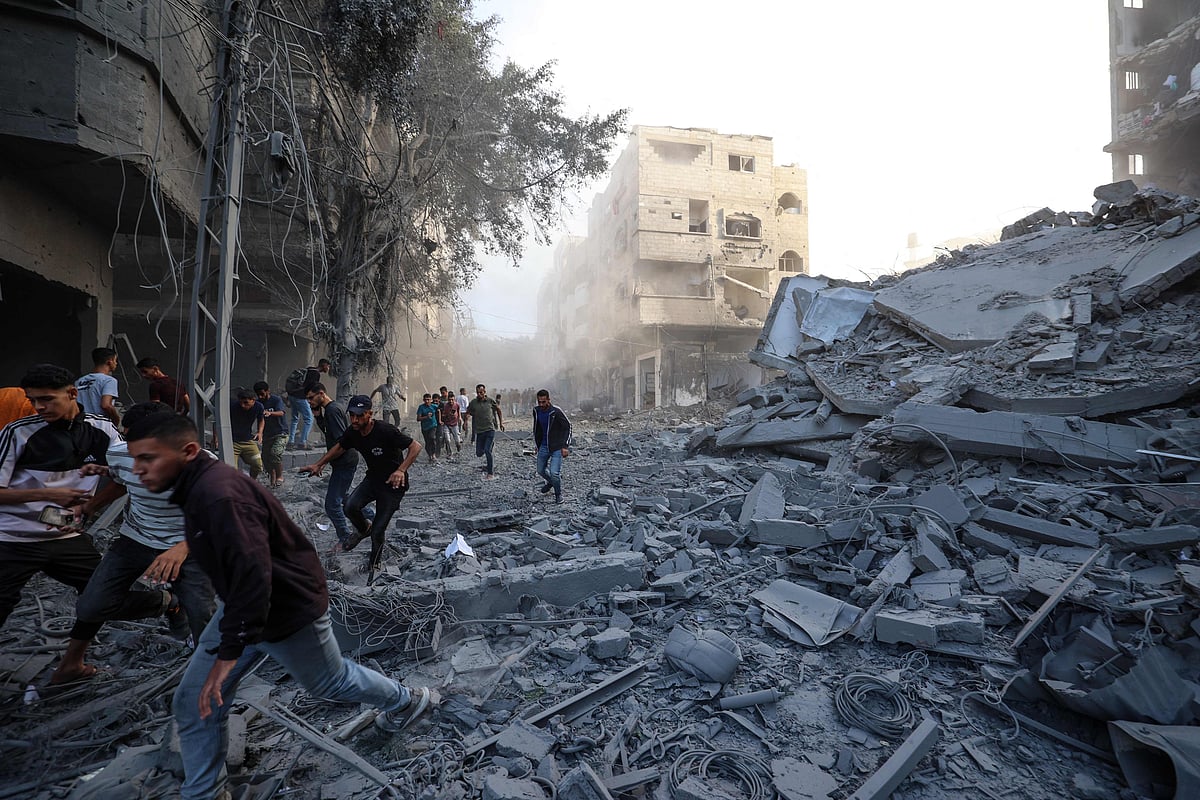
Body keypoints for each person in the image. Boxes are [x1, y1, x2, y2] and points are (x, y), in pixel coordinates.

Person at [125, 413, 435, 800]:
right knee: (193, 699)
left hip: (286, 607)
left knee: (328, 681)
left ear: (187, 451)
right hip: (244, 608)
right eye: (133, 458)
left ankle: (407, 701)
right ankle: (204, 791)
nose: (136, 470)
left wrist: (227, 656)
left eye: (146, 459)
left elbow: (257, 577)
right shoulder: (199, 486)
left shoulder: (219, 495)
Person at [51, 402, 216, 684]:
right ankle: (167, 603)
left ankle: (206, 677)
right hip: (134, 540)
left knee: (202, 615)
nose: (135, 461)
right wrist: (90, 507)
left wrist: (181, 549)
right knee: (91, 606)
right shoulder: (120, 454)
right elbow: (121, 481)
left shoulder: (203, 465)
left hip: (189, 547)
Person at [0, 365, 123, 635]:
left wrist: (89, 506)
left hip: (66, 535)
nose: (38, 407)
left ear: (72, 394)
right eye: (33, 400)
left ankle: (73, 662)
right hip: (13, 539)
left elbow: (127, 478)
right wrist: (49, 494)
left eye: (46, 399)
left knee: (103, 596)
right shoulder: (18, 432)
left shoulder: (102, 430)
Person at [298, 396, 422, 571]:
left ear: (370, 414)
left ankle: (374, 566)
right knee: (349, 506)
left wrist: (401, 470)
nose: (355, 420)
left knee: (378, 531)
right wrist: (319, 463)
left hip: (393, 486)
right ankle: (364, 529)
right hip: (373, 479)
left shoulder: (386, 430)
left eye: (360, 416)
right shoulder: (353, 431)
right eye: (352, 415)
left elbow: (415, 446)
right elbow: (340, 446)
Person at [305, 383, 366, 548]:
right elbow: (330, 433)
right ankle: (372, 517)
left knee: (332, 505)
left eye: (311, 398)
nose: (309, 402)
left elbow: (341, 442)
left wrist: (320, 463)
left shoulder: (332, 410)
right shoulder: (331, 409)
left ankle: (346, 538)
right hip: (343, 460)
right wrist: (318, 416)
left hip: (345, 460)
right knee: (345, 497)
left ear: (321, 394)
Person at [532, 390, 572, 505]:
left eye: (543, 402)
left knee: (554, 473)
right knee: (540, 470)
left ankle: (558, 494)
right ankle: (551, 482)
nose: (541, 404)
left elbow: (568, 427)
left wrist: (565, 446)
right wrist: (537, 445)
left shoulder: (556, 412)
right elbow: (536, 429)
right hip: (543, 446)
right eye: (539, 402)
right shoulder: (536, 411)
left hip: (556, 447)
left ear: (549, 400)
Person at [286, 358, 330, 450]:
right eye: (328, 366)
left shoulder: (309, 369)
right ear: (324, 365)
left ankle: (291, 442)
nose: (328, 368)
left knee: (294, 418)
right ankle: (302, 442)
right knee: (309, 419)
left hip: (292, 395)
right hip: (301, 397)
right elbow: (311, 389)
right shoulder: (316, 374)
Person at [75, 346, 122, 426]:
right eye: (115, 360)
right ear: (109, 362)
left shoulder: (79, 381)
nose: (116, 363)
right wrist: (116, 420)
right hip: (99, 425)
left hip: (81, 423)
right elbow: (106, 405)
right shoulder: (109, 380)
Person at [465, 384, 503, 479]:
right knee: (479, 453)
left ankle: (490, 473)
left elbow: (498, 410)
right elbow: (468, 412)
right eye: (478, 393)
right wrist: (465, 421)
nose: (479, 394)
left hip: (490, 429)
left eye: (481, 392)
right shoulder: (473, 403)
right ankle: (489, 447)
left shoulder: (490, 401)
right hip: (480, 431)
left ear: (484, 392)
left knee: (487, 450)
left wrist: (501, 423)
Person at [254, 382, 288, 488]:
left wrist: (270, 413)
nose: (260, 396)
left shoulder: (276, 400)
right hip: (267, 435)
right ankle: (272, 476)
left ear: (268, 391)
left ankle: (279, 476)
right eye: (258, 394)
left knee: (275, 453)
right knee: (265, 458)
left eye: (262, 394)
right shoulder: (258, 403)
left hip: (281, 433)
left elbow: (282, 412)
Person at [227, 389, 264, 480]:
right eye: (241, 402)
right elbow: (218, 420)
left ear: (253, 400)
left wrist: (260, 432)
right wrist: (216, 438)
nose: (243, 405)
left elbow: (261, 420)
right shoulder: (233, 406)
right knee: (232, 471)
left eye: (246, 403)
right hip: (232, 442)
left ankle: (251, 482)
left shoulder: (259, 407)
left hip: (247, 441)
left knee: (258, 465)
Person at [416, 393, 439, 464]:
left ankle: (434, 454)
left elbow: (439, 411)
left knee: (432, 438)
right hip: (425, 427)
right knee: (427, 442)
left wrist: (440, 420)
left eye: (428, 400)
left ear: (431, 400)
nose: (427, 401)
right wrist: (426, 417)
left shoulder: (434, 406)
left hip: (433, 426)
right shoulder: (421, 407)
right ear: (423, 400)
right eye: (425, 400)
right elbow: (418, 418)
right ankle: (430, 456)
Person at [439, 389, 462, 456]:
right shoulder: (445, 406)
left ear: (454, 399)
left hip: (454, 425)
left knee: (457, 441)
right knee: (447, 440)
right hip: (447, 424)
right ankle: (449, 452)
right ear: (448, 399)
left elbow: (458, 411)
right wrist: (447, 414)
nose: (451, 401)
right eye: (449, 400)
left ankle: (458, 447)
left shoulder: (457, 405)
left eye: (452, 400)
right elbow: (442, 414)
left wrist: (459, 418)